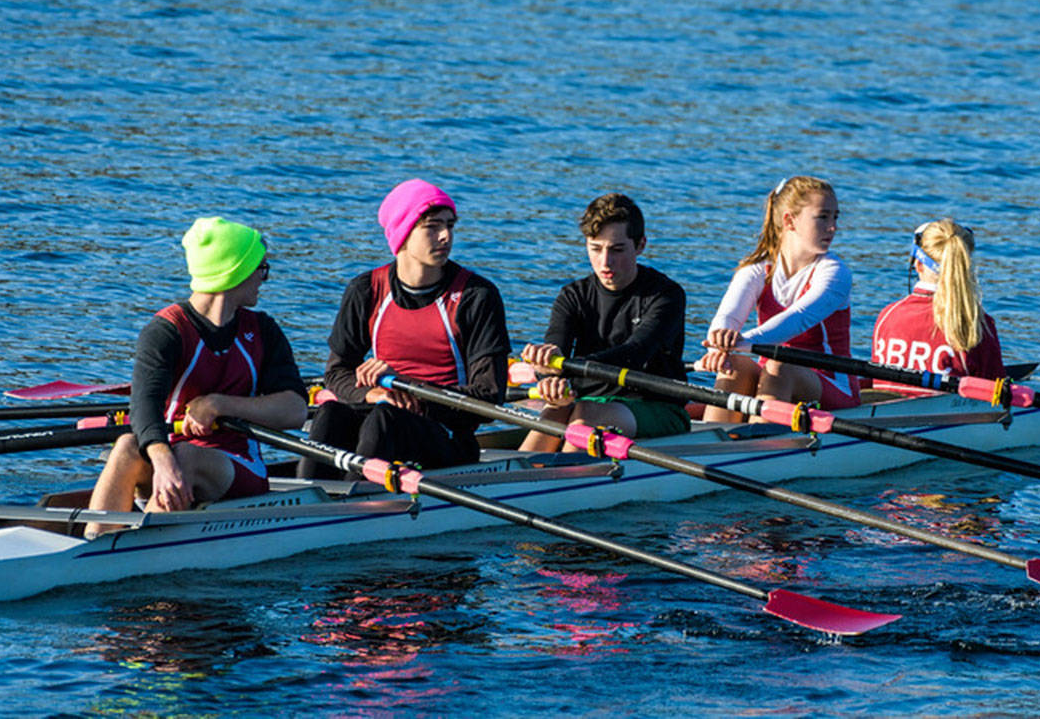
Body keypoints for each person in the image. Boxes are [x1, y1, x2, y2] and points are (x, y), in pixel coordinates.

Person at [85, 217, 308, 537]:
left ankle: (132, 550)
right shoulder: (165, 331)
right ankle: (96, 542)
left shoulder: (263, 331)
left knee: (187, 457)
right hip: (171, 454)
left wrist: (219, 404)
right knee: (126, 446)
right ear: (237, 272)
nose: (264, 278)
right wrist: (160, 458)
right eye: (261, 268)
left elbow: (295, 410)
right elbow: (144, 408)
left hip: (237, 465)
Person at [298, 178, 511, 479]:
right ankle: (307, 497)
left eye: (450, 225)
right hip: (385, 417)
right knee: (332, 413)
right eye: (433, 227)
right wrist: (371, 394)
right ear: (403, 232)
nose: (445, 236)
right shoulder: (366, 290)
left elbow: (488, 398)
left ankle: (349, 504)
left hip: (448, 435)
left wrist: (410, 391)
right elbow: (337, 374)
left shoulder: (476, 296)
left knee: (386, 419)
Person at [518, 194, 690, 452]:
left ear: (640, 245)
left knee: (584, 413)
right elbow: (557, 349)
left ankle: (557, 483)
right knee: (557, 407)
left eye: (617, 249)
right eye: (596, 249)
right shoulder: (572, 296)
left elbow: (635, 353)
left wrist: (568, 374)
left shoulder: (666, 295)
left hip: (657, 406)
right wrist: (547, 371)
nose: (605, 262)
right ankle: (517, 478)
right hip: (585, 399)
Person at [697, 176, 860, 423]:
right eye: (823, 217)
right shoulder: (757, 270)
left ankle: (760, 448)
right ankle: (710, 441)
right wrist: (719, 346)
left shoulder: (835, 273)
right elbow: (726, 319)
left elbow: (799, 319)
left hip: (831, 383)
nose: (833, 227)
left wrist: (740, 341)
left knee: (779, 365)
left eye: (835, 217)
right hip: (771, 378)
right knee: (735, 365)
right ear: (789, 220)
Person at [871, 218, 1005, 395]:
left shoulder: (887, 315)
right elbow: (997, 393)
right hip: (948, 418)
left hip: (881, 411)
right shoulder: (977, 324)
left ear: (918, 265)